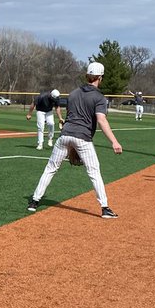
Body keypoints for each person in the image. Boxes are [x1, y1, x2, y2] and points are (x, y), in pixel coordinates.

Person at [27, 62, 122, 218]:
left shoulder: (73, 93)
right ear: (100, 78)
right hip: (83, 138)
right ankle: (105, 208)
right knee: (94, 172)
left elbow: (70, 116)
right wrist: (114, 141)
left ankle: (34, 201)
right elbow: (101, 120)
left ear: (87, 76)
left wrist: (71, 146)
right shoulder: (99, 97)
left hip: (64, 135)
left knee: (50, 168)